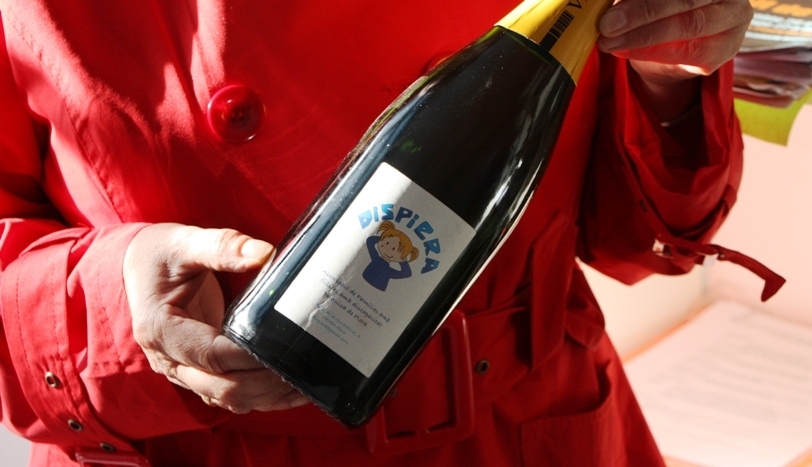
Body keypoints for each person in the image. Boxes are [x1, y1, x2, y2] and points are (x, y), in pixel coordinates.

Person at [0, 0, 781, 466]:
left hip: (521, 432)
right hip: (193, 442)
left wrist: (666, 78)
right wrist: (112, 304)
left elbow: (641, 237)